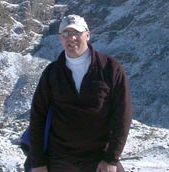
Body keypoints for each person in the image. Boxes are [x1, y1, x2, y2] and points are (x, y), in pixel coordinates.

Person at [29, 14, 133, 172]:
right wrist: (38, 163)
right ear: (60, 39)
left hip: (99, 158)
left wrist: (111, 159)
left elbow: (123, 115)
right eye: (66, 34)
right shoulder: (52, 73)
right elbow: (38, 116)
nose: (71, 38)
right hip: (59, 159)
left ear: (87, 35)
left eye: (77, 33)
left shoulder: (110, 68)